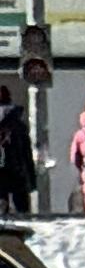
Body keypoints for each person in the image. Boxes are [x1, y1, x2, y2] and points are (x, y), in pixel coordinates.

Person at [0, 88, 36, 217]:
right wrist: (31, 179)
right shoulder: (18, 123)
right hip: (17, 169)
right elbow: (26, 152)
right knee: (21, 210)